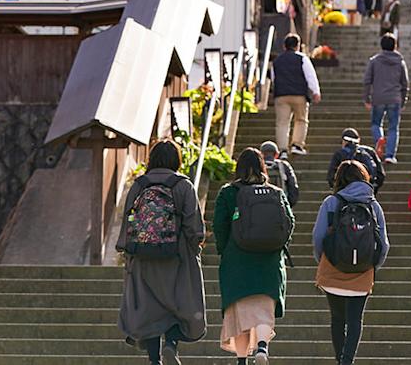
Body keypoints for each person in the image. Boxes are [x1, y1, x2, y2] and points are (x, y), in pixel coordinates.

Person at [118, 140, 207, 365]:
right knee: (179, 304)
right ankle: (171, 344)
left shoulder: (139, 185)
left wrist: (128, 247)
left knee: (149, 307)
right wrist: (196, 244)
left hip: (143, 256)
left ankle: (154, 359)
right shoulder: (183, 186)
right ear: (176, 160)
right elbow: (193, 226)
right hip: (176, 257)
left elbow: (128, 219)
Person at [213, 148, 294, 365]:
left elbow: (219, 226)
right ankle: (262, 347)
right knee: (263, 311)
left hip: (237, 262)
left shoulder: (228, 193)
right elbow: (289, 222)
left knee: (239, 316)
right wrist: (278, 245)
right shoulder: (275, 192)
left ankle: (242, 360)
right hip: (269, 261)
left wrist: (224, 250)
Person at [313, 160, 390, 365]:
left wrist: (324, 261)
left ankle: (340, 360)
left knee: (337, 319)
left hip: (333, 270)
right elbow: (383, 244)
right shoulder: (373, 205)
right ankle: (347, 362)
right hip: (363, 272)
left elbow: (318, 237)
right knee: (355, 320)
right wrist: (373, 266)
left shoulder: (331, 202)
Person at [270, 33, 321, 157]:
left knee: (282, 122)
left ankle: (282, 150)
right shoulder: (302, 58)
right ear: (298, 45)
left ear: (284, 46)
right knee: (301, 120)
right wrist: (316, 91)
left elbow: (273, 78)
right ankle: (296, 145)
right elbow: (310, 76)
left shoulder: (277, 61)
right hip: (299, 95)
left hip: (281, 95)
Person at [362, 33, 409, 164]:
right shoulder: (400, 62)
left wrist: (366, 99)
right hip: (395, 98)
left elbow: (367, 81)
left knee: (376, 124)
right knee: (393, 128)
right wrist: (403, 100)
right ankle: (390, 155)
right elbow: (405, 84)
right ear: (395, 46)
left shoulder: (374, 61)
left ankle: (380, 141)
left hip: (378, 97)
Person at [327, 128, 386, 194]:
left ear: (344, 141)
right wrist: (373, 189)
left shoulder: (339, 154)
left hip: (345, 193)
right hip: (366, 193)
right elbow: (381, 174)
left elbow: (331, 176)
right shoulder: (370, 152)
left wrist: (338, 190)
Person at [260, 140, 299, 206]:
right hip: (280, 205)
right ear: (277, 154)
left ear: (261, 154)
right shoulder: (284, 165)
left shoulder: (257, 165)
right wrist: (289, 204)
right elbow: (293, 186)